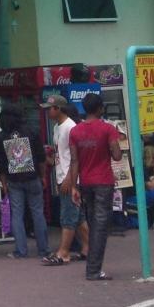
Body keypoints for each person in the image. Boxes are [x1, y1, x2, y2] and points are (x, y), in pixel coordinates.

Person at [68, 92, 123, 281]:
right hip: (103, 182)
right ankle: (93, 270)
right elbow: (117, 155)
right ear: (100, 108)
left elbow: (74, 161)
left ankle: (92, 267)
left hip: (85, 182)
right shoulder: (108, 129)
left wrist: (74, 186)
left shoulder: (75, 131)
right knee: (100, 226)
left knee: (92, 223)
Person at [0, 106, 49, 259]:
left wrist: (4, 183)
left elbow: (0, 165)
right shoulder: (31, 132)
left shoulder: (1, 137)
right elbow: (41, 157)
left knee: (17, 215)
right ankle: (44, 249)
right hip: (33, 177)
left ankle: (21, 250)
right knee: (37, 213)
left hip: (13, 180)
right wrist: (43, 176)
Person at [41, 94, 89, 267]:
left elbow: (77, 157)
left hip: (70, 178)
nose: (47, 112)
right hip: (63, 175)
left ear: (59, 109)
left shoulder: (71, 127)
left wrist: (70, 179)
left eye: (50, 109)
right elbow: (61, 155)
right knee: (78, 216)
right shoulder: (57, 128)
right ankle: (88, 248)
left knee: (68, 215)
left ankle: (63, 252)